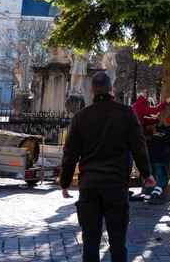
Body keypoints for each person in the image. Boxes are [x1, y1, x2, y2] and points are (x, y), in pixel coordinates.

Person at [61, 71, 154, 262]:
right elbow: (138, 147)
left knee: (90, 242)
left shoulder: (80, 116)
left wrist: (65, 182)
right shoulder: (127, 113)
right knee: (118, 242)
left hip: (89, 186)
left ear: (91, 90)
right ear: (111, 88)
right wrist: (146, 174)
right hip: (115, 185)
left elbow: (70, 153)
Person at [142, 119, 170, 204]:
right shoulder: (168, 132)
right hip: (161, 159)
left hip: (149, 159)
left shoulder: (153, 131)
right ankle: (154, 195)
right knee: (164, 178)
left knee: (152, 178)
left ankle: (146, 197)